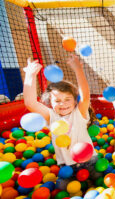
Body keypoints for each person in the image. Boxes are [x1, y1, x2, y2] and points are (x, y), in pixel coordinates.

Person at [23, 54, 100, 189]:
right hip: (66, 167)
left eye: (67, 99)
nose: (63, 104)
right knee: (62, 189)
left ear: (75, 100)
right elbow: (30, 103)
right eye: (57, 101)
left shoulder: (79, 113)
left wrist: (78, 69)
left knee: (102, 183)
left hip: (91, 162)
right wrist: (30, 75)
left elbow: (85, 94)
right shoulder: (51, 116)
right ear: (50, 103)